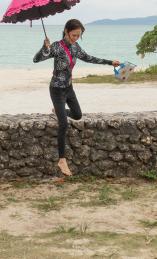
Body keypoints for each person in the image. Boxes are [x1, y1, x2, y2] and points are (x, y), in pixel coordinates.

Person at [33, 19, 120, 176]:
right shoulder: (56, 47)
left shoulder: (75, 47)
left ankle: (58, 112)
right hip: (57, 90)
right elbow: (36, 59)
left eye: (78, 36)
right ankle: (62, 160)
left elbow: (89, 58)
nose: (75, 38)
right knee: (64, 124)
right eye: (73, 35)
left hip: (69, 88)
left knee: (77, 115)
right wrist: (44, 47)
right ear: (66, 31)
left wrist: (110, 63)